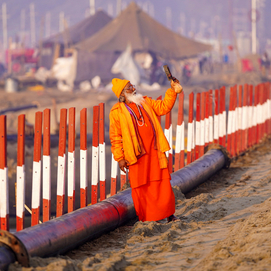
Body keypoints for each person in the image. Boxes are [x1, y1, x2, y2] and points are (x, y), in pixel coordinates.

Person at [109, 77, 182, 223]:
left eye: (132, 85)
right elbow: (115, 138)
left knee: (162, 184)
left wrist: (173, 91)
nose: (133, 89)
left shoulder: (145, 102)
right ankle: (148, 218)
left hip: (154, 151)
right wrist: (120, 158)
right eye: (129, 87)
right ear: (122, 94)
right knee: (141, 188)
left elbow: (164, 107)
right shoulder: (116, 112)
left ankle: (169, 215)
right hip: (136, 156)